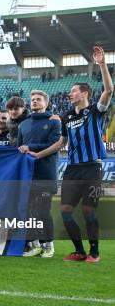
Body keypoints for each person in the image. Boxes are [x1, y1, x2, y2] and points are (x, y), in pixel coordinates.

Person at [31, 46, 113, 263]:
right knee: (66, 211)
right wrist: (38, 155)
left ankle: (94, 252)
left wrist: (102, 64)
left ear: (84, 93)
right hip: (72, 169)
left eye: (73, 91)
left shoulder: (96, 110)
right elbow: (61, 142)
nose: (70, 94)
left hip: (92, 168)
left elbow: (109, 91)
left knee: (87, 211)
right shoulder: (66, 117)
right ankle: (79, 251)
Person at [17, 90, 61, 258]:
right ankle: (33, 244)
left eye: (39, 99)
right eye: (33, 99)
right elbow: (20, 148)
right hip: (27, 174)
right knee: (27, 211)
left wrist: (31, 147)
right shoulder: (23, 125)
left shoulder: (54, 122)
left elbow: (54, 144)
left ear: (46, 103)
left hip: (45, 173)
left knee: (43, 211)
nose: (35, 101)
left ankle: (48, 245)